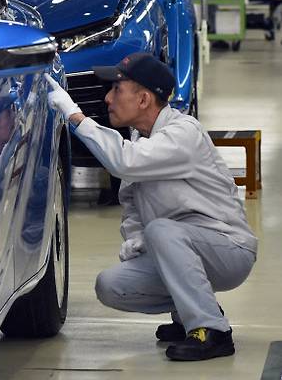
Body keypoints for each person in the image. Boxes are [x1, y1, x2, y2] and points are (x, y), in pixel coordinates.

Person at [44, 52, 257, 361]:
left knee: (162, 230)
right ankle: (190, 313)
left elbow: (124, 162)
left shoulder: (183, 134)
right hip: (185, 245)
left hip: (229, 250)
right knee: (110, 285)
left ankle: (213, 330)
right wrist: (136, 241)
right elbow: (132, 208)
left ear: (143, 99)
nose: (107, 98)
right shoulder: (141, 137)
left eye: (117, 90)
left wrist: (76, 117)